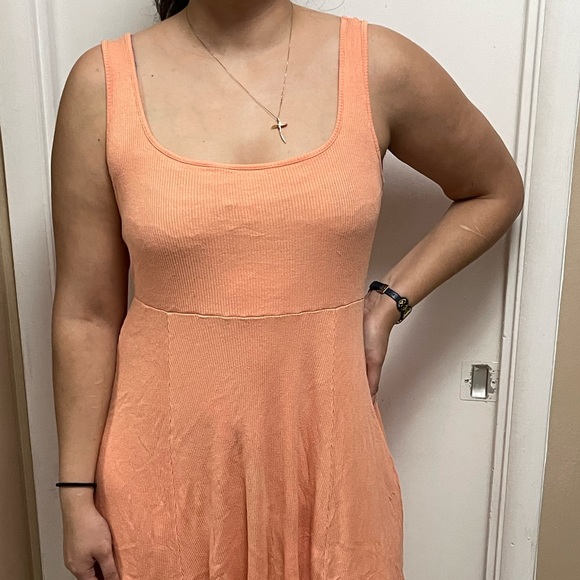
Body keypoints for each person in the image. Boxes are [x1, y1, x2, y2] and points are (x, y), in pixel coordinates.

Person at [50, 0, 524, 578]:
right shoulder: (102, 85)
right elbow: (87, 314)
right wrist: (75, 496)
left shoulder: (378, 65)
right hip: (166, 470)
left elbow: (495, 189)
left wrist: (387, 303)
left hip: (327, 463)